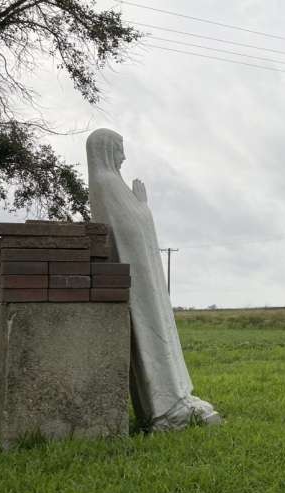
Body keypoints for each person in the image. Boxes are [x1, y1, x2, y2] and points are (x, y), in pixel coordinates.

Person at [86, 128, 221, 431]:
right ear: (107, 149)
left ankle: (178, 397)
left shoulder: (111, 182)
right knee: (153, 333)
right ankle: (167, 409)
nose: (124, 156)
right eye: (119, 148)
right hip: (138, 279)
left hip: (144, 275)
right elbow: (130, 228)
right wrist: (143, 206)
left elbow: (132, 224)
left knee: (161, 330)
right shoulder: (107, 182)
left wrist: (138, 205)